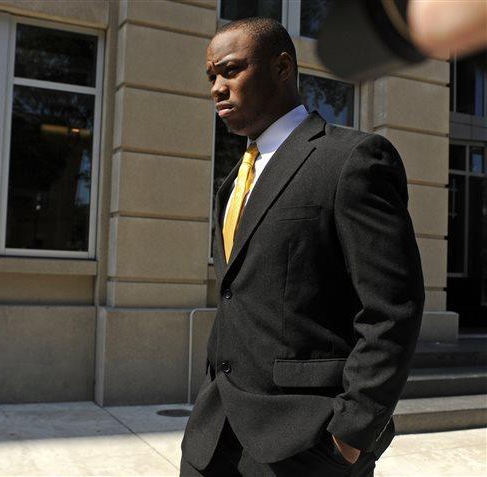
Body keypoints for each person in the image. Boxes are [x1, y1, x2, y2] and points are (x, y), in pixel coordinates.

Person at [180, 17, 425, 477]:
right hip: (212, 437)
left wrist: (352, 433)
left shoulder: (352, 160)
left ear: (283, 67)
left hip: (305, 443)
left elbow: (393, 308)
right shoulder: (232, 182)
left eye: (230, 70)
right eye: (211, 76)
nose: (217, 87)